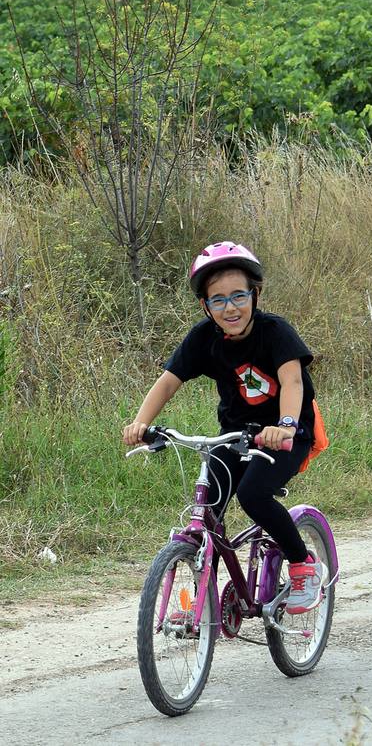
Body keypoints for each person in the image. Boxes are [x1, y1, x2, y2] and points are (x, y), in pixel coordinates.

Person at [122, 241, 325, 613]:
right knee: (209, 509)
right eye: (218, 300)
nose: (229, 307)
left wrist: (285, 425)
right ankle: (204, 600)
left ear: (255, 294)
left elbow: (293, 382)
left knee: (253, 496)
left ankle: (303, 565)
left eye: (238, 296)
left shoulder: (275, 332)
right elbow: (168, 381)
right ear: (206, 305)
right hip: (235, 434)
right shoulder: (204, 339)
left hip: (286, 434)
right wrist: (141, 422)